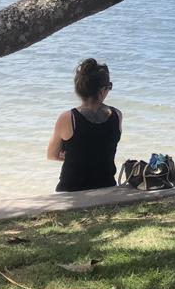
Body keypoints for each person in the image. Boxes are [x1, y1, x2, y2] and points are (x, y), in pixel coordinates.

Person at [47, 58, 122, 192]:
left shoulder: (68, 118)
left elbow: (52, 155)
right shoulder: (117, 115)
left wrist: (73, 156)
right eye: (109, 87)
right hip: (107, 186)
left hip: (71, 190)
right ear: (102, 90)